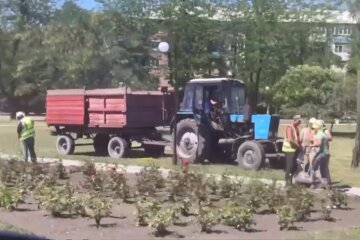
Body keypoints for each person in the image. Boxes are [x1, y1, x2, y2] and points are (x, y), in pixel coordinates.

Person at [309, 119, 331, 189]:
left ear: (318, 127)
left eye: (314, 127)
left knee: (313, 166)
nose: (313, 128)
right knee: (323, 169)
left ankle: (313, 183)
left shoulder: (319, 134)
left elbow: (318, 143)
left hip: (322, 154)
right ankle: (326, 185)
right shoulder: (323, 133)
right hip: (326, 154)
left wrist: (310, 145)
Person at [282, 115, 302, 186]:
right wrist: (298, 145)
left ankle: (290, 181)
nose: (300, 122)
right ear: (295, 120)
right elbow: (290, 139)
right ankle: (287, 182)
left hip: (294, 149)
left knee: (293, 166)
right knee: (289, 166)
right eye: (299, 121)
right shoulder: (290, 128)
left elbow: (297, 138)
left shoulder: (296, 128)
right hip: (289, 150)